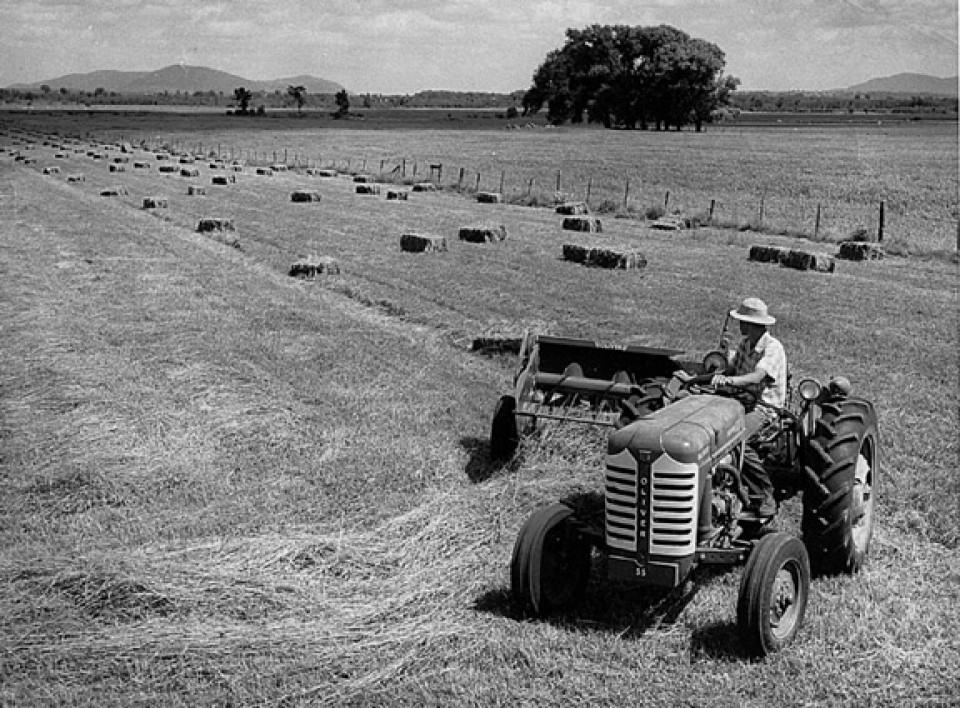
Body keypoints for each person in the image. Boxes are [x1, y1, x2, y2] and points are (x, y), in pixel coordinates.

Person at [710, 297, 787, 520]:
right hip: (741, 402)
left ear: (754, 324)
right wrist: (718, 371)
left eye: (742, 321)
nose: (740, 326)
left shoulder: (773, 348)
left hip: (765, 408)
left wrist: (730, 383)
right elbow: (731, 371)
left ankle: (764, 494)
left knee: (737, 438)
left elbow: (757, 377)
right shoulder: (745, 344)